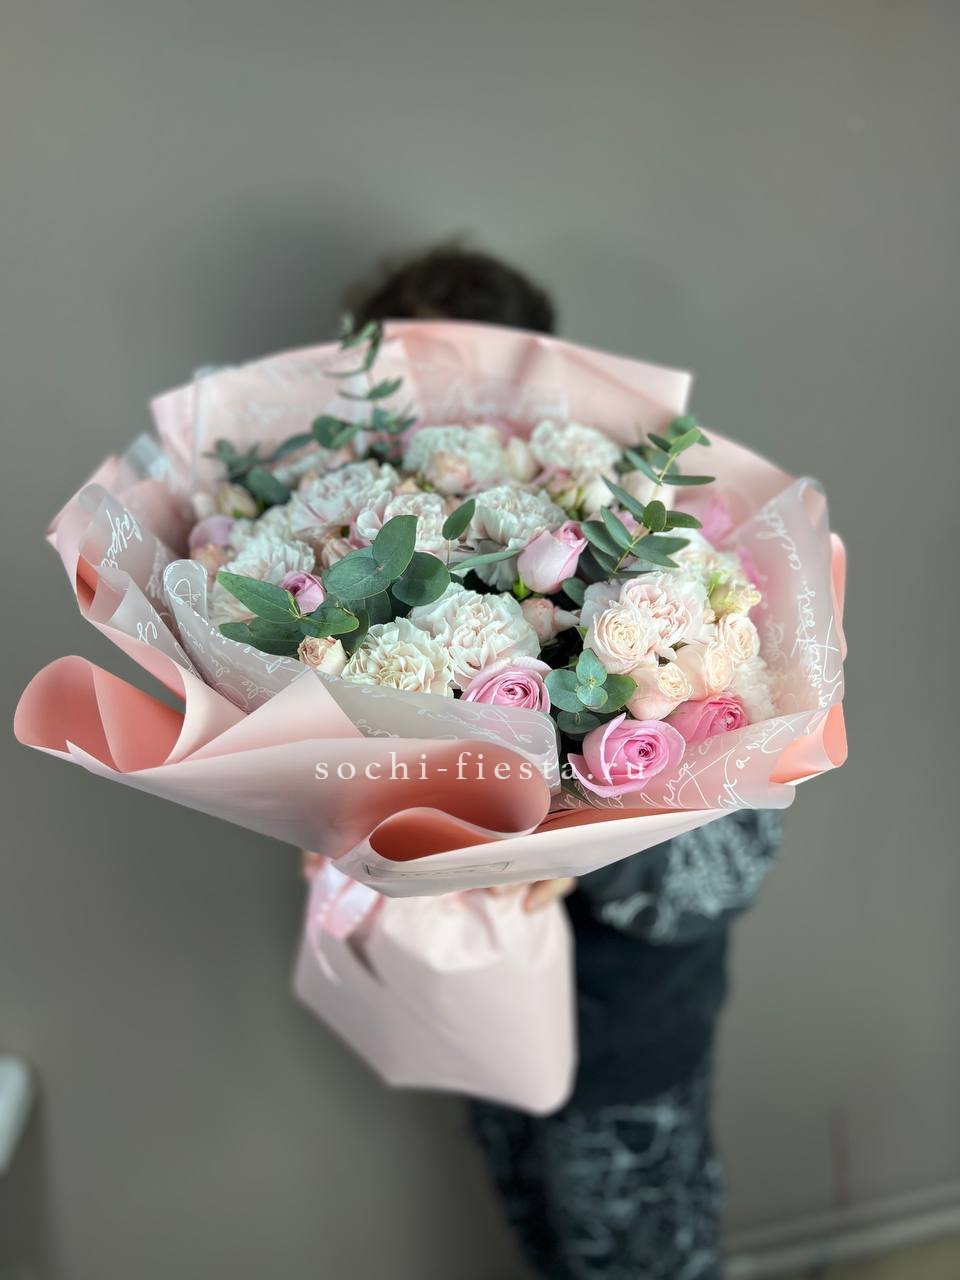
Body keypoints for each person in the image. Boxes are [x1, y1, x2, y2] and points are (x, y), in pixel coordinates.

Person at [350, 244, 784, 1280]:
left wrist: (571, 839)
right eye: (389, 392)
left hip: (623, 1037)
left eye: (445, 388)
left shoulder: (658, 547)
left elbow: (723, 870)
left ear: (530, 380)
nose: (424, 425)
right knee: (541, 1245)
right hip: (473, 1009)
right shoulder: (369, 555)